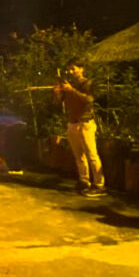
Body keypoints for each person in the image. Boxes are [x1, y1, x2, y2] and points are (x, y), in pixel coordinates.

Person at [53, 59, 105, 196]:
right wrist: (57, 93)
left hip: (85, 122)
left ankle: (99, 185)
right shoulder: (69, 85)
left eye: (73, 69)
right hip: (72, 122)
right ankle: (84, 181)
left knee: (91, 154)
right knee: (78, 155)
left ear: (81, 69)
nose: (71, 72)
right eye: (69, 69)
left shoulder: (87, 83)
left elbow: (89, 100)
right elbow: (60, 102)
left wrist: (72, 90)